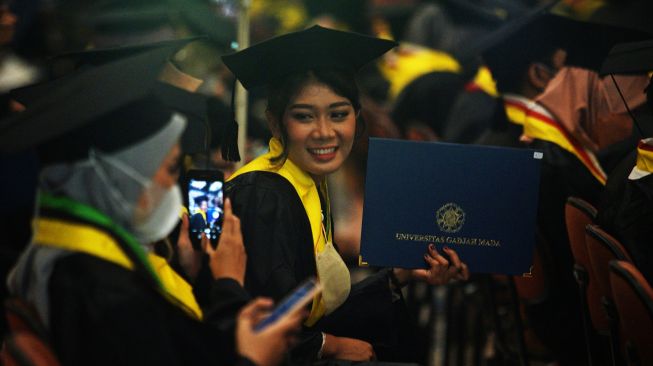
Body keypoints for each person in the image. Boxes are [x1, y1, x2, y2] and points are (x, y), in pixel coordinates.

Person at [1, 46, 304, 366]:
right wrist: (249, 346)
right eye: (171, 168)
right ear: (118, 179)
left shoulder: (59, 253)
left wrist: (193, 276)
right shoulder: (110, 296)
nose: (173, 186)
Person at [222, 25, 469, 363]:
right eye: (304, 117)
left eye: (338, 114)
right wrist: (328, 345)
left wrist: (401, 275)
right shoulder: (265, 194)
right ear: (275, 123)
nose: (325, 133)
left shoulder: (303, 182)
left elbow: (314, 312)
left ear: (356, 117)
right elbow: (267, 324)